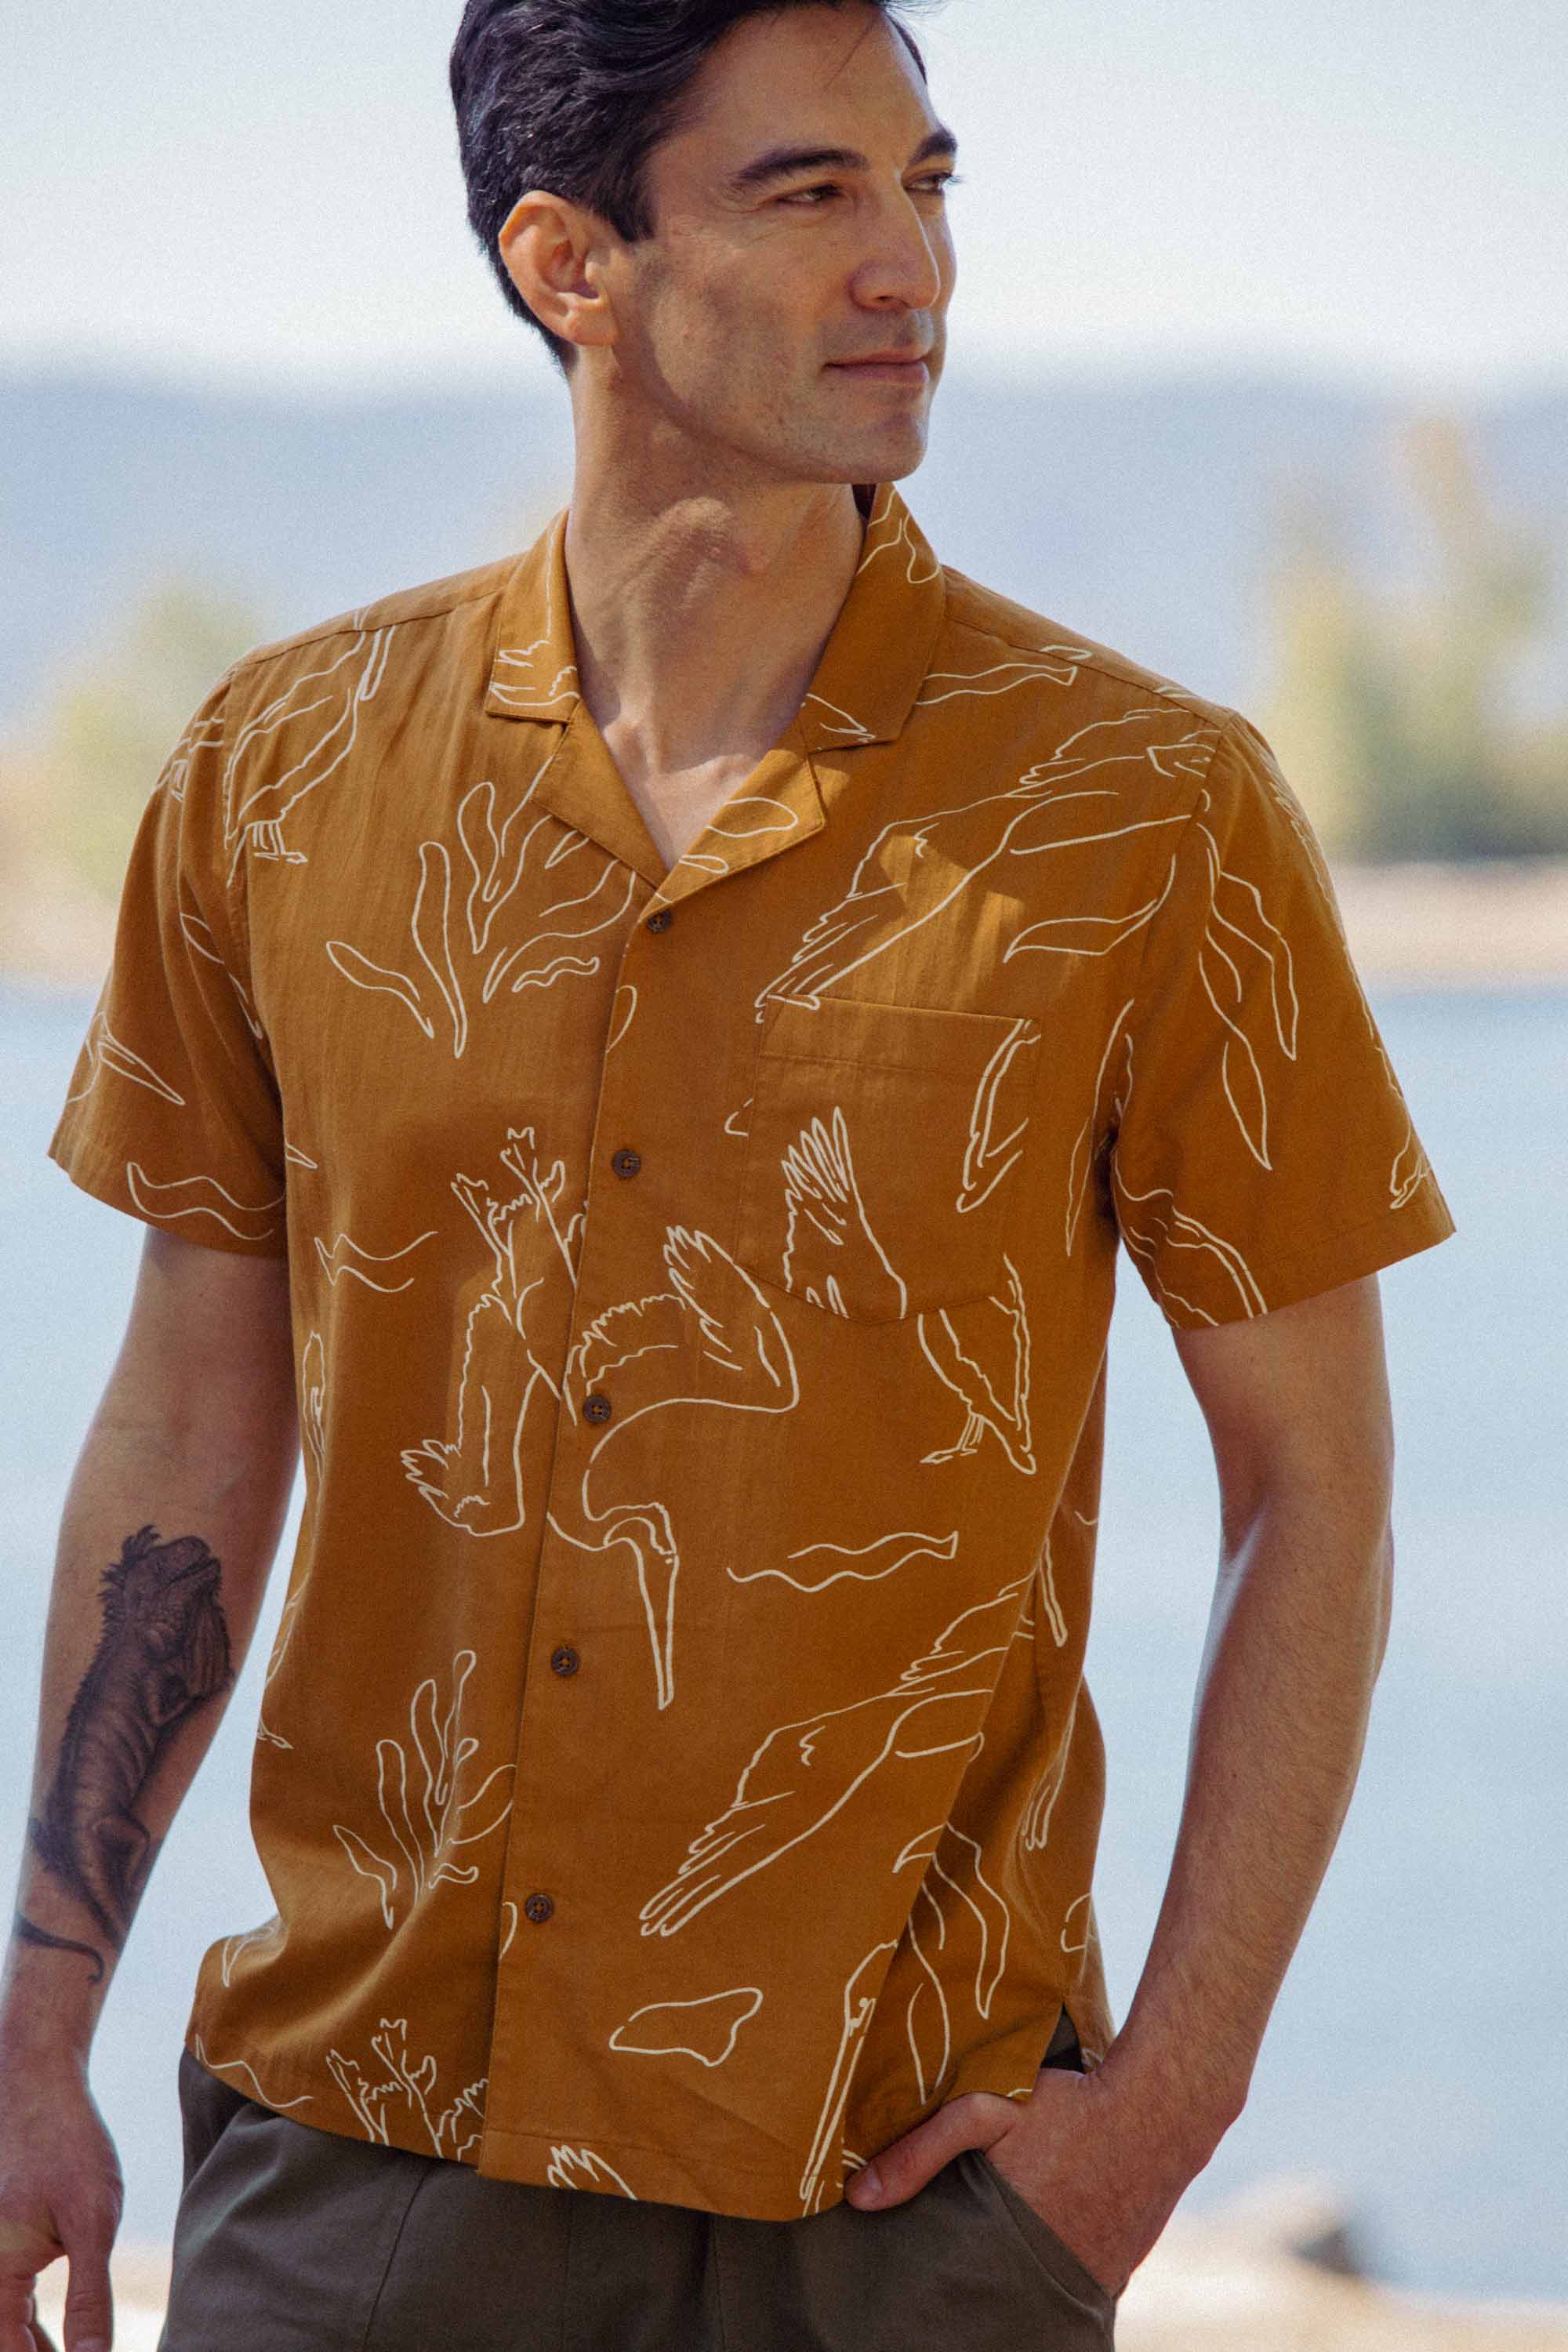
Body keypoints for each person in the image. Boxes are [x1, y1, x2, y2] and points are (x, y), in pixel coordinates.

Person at [0, 2, 1457, 2346]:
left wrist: (1156, 2120)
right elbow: (188, 1417)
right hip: (364, 2171)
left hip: (899, 2208)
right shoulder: (280, 774)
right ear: (569, 261)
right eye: (812, 195)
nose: (913, 268)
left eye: (928, 185)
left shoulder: (1149, 813)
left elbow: (1322, 1489)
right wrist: (36, 2029)